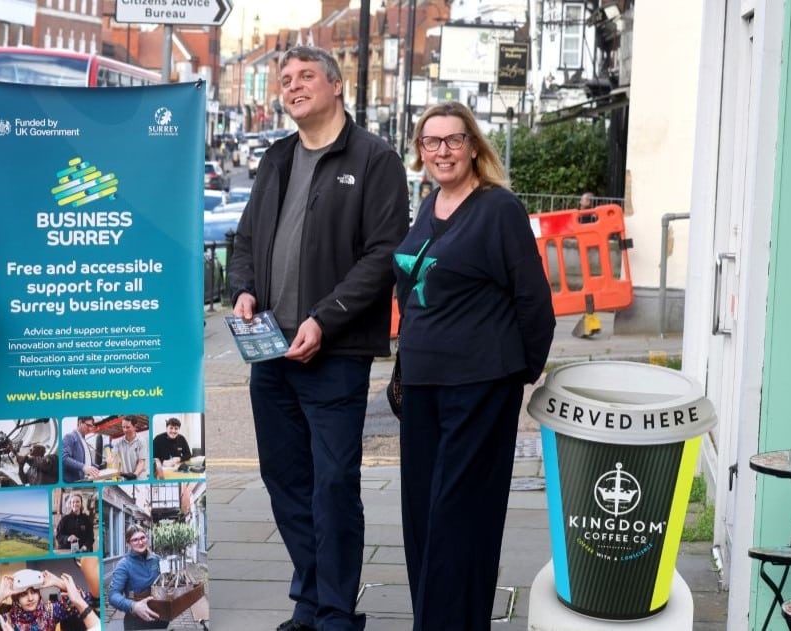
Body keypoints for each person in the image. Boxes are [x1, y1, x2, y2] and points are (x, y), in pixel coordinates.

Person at [225, 45, 409, 631]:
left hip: (335, 355)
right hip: (269, 351)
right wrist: (245, 289)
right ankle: (309, 599)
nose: (294, 86)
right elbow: (248, 239)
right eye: (286, 80)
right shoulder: (276, 158)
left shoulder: (375, 159)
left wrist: (325, 318)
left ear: (335, 86)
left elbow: (384, 254)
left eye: (306, 77)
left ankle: (335, 611)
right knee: (285, 481)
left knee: (331, 485)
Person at [392, 101, 555, 630]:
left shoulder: (497, 208)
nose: (442, 151)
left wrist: (517, 372)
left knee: (460, 514)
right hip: (422, 385)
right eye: (431, 142)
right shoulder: (428, 205)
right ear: (420, 151)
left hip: (479, 384)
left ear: (474, 147)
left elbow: (533, 299)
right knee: (421, 513)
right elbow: (413, 290)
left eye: (453, 140)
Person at [0, 568, 98, 631]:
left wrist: (58, 582)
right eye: (23, 594)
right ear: (16, 598)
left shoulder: (49, 612)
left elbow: (84, 601)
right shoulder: (7, 620)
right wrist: (1, 595)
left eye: (34, 592)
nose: (30, 598)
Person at [108, 525, 167, 629]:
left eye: (142, 538)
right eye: (135, 540)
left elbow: (165, 582)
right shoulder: (124, 565)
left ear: (147, 538)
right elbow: (113, 595)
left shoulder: (156, 559)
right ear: (128, 543)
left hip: (160, 618)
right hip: (136, 622)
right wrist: (133, 606)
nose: (140, 542)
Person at [62, 416, 100, 483]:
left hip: (85, 481)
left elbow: (87, 463)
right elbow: (64, 458)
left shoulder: (84, 441)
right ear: (80, 423)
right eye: (88, 425)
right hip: (73, 483)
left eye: (91, 426)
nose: (90, 429)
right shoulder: (70, 437)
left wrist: (101, 467)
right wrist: (83, 467)